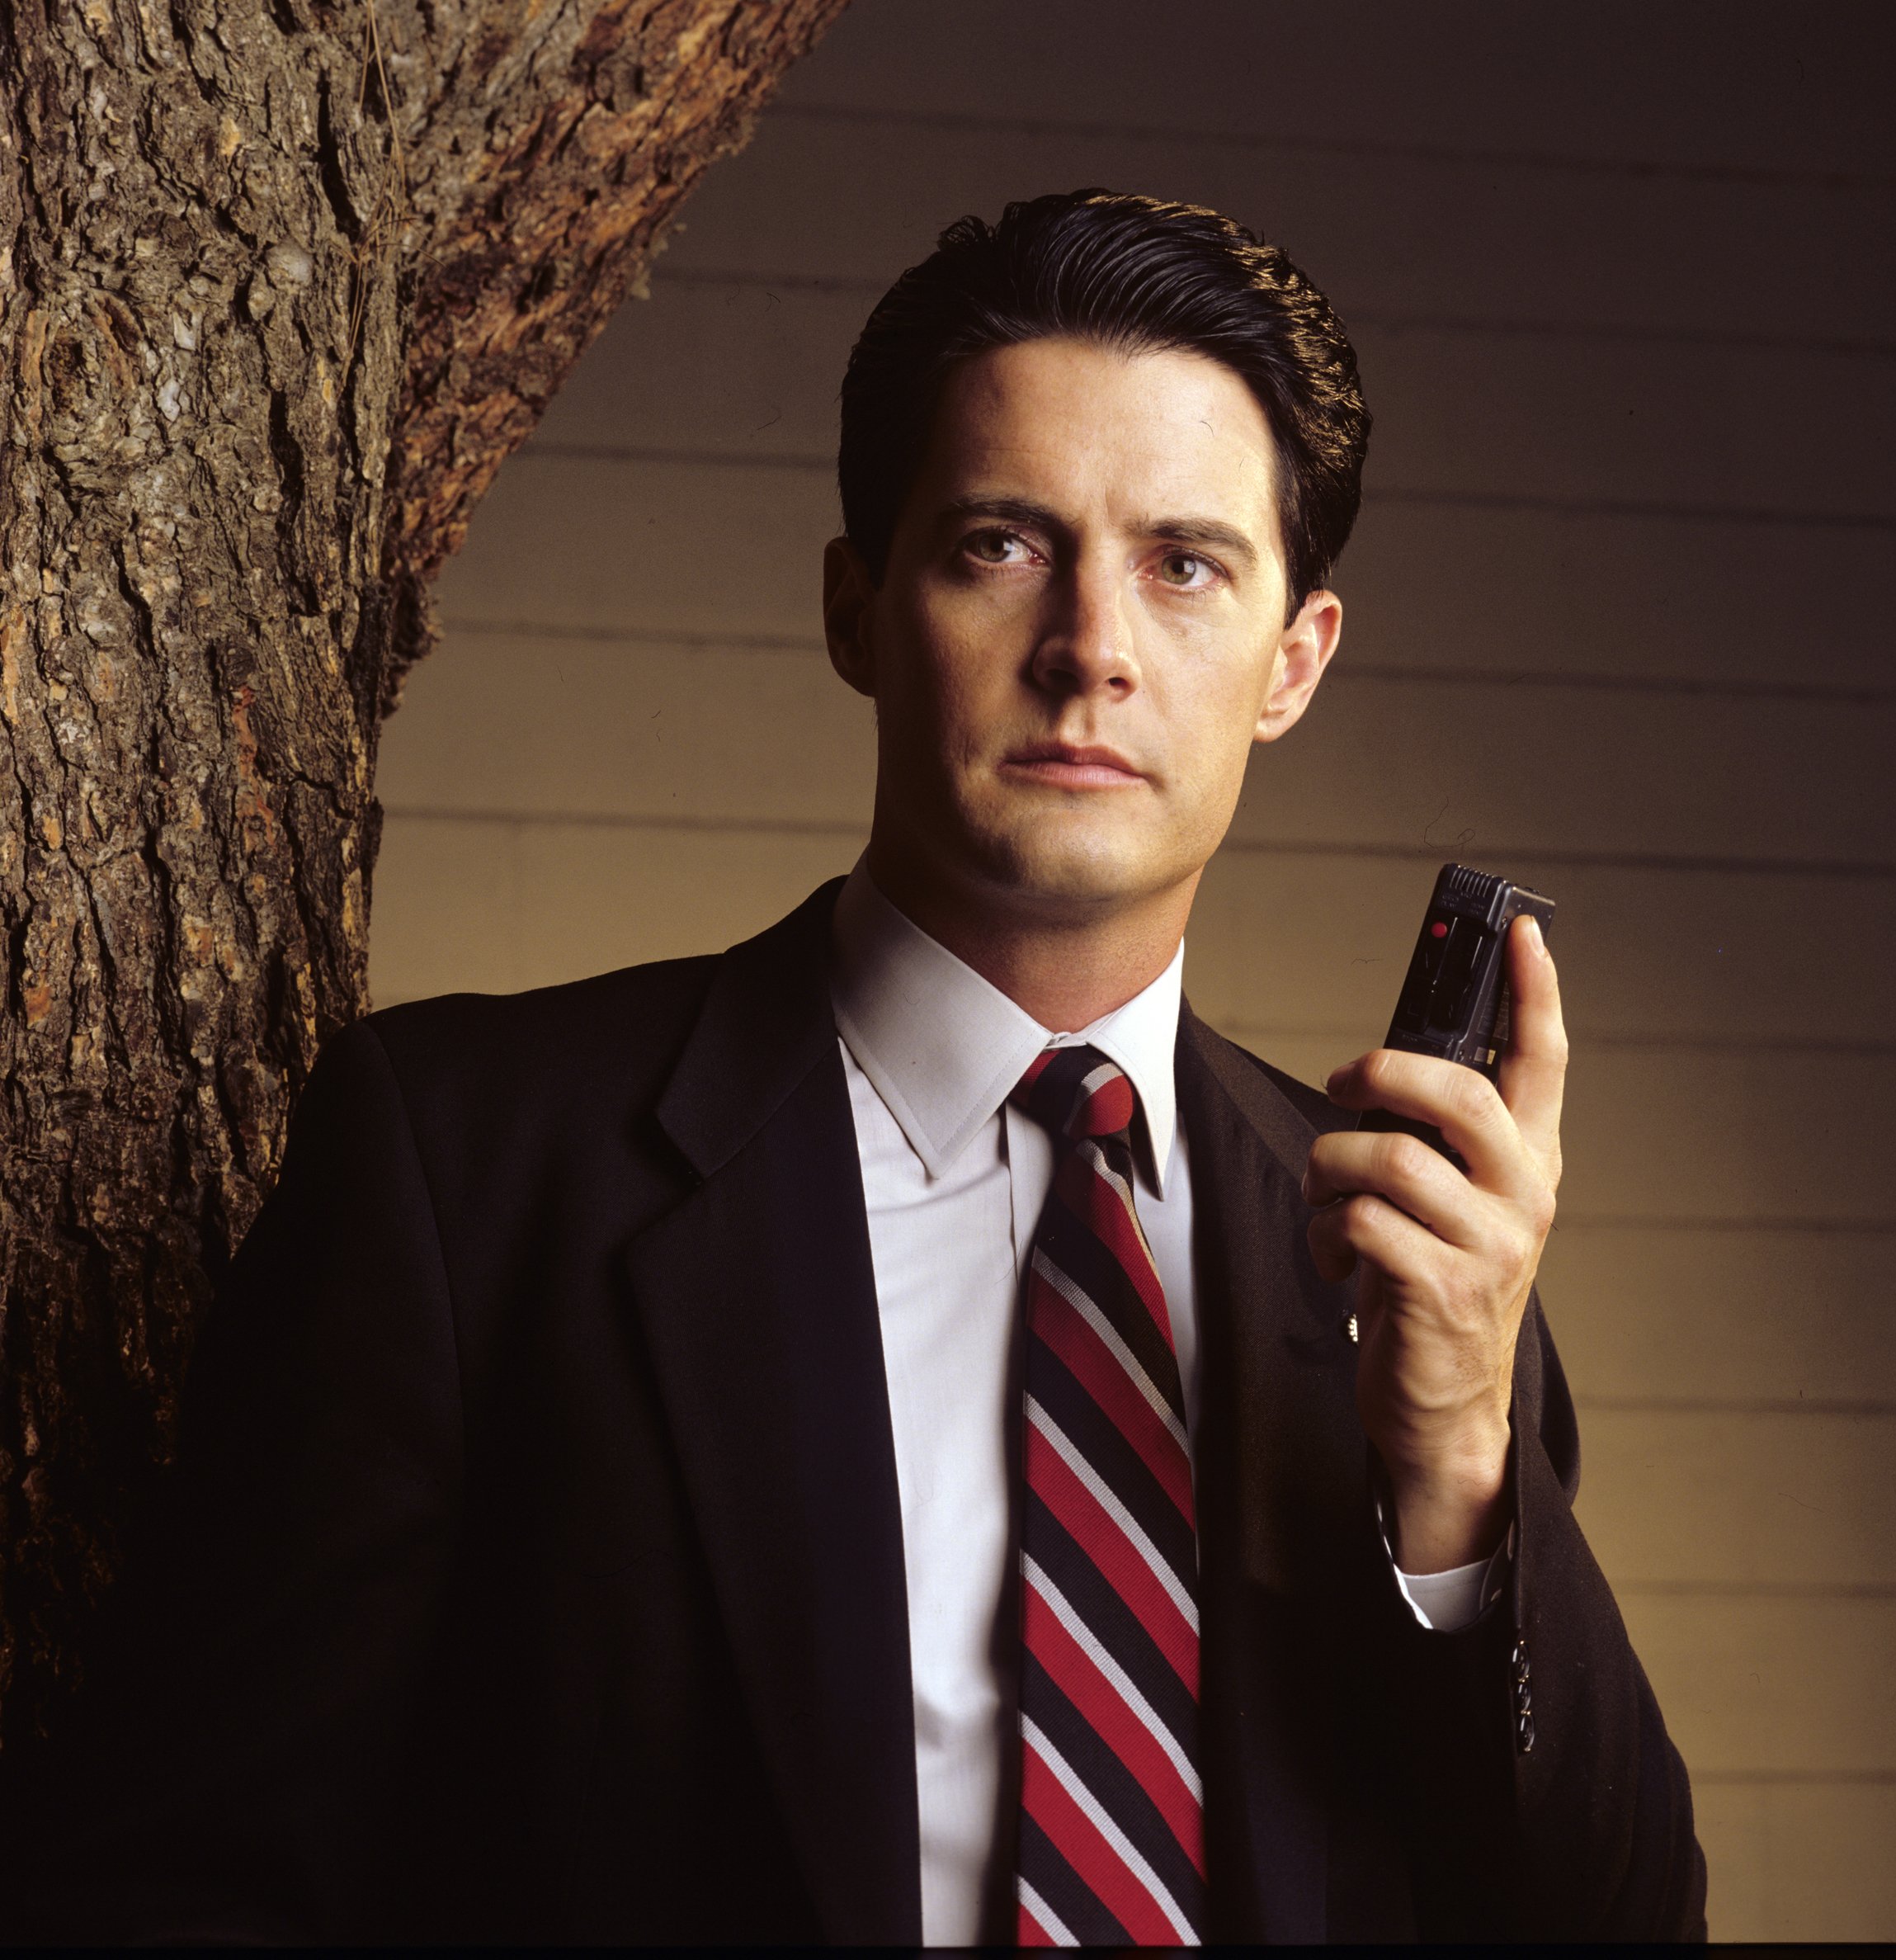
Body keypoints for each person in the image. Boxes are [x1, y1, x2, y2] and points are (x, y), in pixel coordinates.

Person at [8, 190, 1706, 1944]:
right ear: (855, 607)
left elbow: (1617, 1921)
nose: (1093, 650)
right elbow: (175, 1891)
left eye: (1184, 564)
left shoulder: (1414, 1257)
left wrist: (1455, 1473)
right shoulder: (468, 1179)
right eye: (1000, 545)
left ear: (1294, 661)